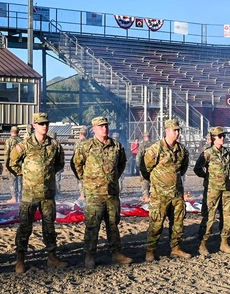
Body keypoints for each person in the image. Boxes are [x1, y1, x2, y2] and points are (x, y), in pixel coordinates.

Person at [8, 112, 69, 273]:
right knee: (25, 227)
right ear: (34, 125)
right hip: (30, 194)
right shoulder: (25, 144)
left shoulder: (54, 145)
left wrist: (46, 176)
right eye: (41, 123)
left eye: (46, 123)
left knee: (49, 227)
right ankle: (20, 259)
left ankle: (52, 257)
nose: (44, 126)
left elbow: (60, 164)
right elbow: (12, 163)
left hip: (48, 194)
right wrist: (26, 173)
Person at [70, 116, 133, 268]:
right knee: (92, 225)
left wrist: (113, 178)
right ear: (94, 129)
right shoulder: (85, 147)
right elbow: (76, 164)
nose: (104, 128)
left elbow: (122, 163)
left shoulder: (116, 146)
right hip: (94, 194)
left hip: (111, 193)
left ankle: (116, 253)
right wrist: (86, 179)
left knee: (113, 224)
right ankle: (90, 255)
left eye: (106, 126)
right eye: (101, 126)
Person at [140, 119, 191, 260]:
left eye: (178, 130)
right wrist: (157, 183)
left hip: (176, 193)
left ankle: (176, 248)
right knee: (156, 223)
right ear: (167, 131)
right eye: (174, 130)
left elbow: (183, 168)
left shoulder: (181, 150)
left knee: (178, 223)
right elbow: (145, 169)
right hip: (159, 194)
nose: (177, 133)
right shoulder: (156, 149)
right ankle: (150, 251)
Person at [193, 126, 230, 255]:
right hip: (212, 189)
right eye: (220, 136)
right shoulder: (208, 153)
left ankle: (224, 242)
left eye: (224, 136)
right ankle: (203, 243)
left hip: (225, 189)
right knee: (209, 217)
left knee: (227, 217)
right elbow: (197, 168)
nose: (223, 138)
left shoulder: (227, 152)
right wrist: (206, 177)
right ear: (213, 138)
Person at [2, 126, 23, 202]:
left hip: (12, 163)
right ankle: (20, 198)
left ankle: (14, 198)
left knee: (12, 181)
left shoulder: (9, 141)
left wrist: (6, 163)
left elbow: (6, 153)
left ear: (11, 131)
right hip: (20, 164)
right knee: (20, 180)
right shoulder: (21, 141)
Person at [138, 132, 152, 201]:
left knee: (145, 181)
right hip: (152, 167)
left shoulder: (142, 145)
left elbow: (139, 156)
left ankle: (146, 196)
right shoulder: (154, 145)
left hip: (144, 166)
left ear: (144, 137)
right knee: (152, 181)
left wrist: (139, 165)